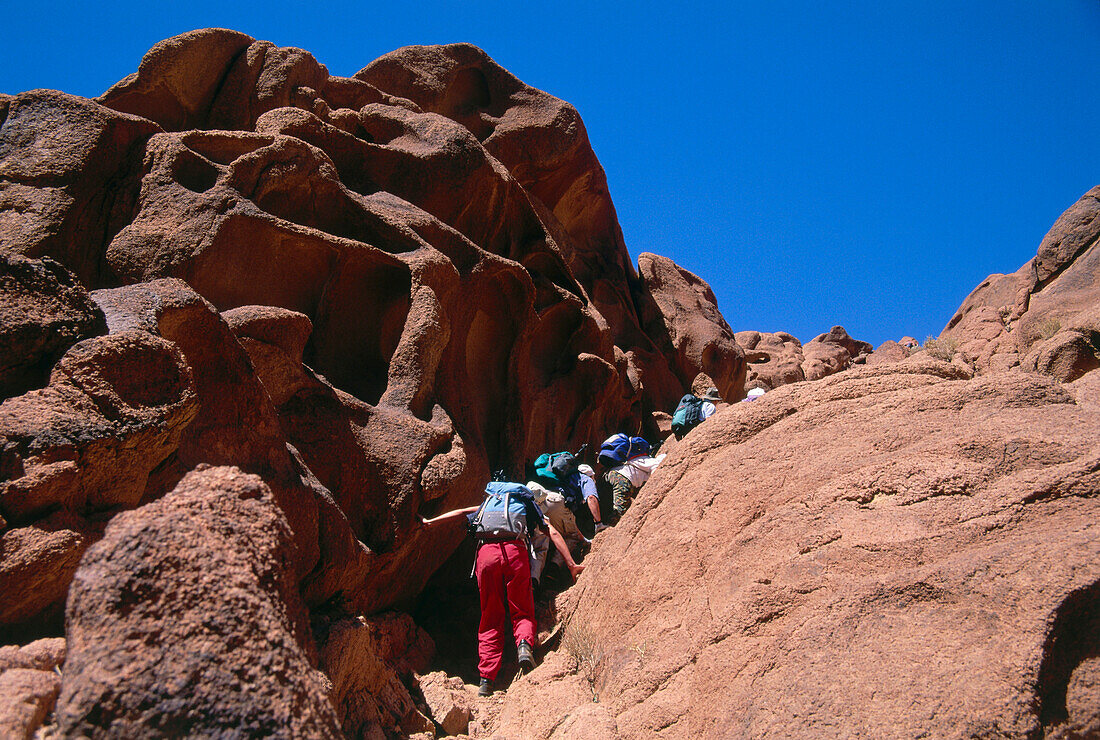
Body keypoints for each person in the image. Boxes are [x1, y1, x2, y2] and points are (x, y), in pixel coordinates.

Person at [421, 481, 583, 696]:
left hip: (486, 556)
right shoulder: (525, 504)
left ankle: (486, 681)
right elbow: (552, 532)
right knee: (522, 609)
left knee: (490, 616)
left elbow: (460, 512)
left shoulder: (489, 503)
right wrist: (571, 565)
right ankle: (524, 647)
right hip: (514, 552)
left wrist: (430, 522)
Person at [601, 447, 666, 520]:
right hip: (622, 477)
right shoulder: (650, 461)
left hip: (612, 474)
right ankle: (615, 523)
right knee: (620, 509)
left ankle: (605, 520)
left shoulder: (636, 458)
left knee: (609, 503)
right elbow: (656, 471)